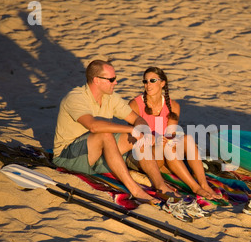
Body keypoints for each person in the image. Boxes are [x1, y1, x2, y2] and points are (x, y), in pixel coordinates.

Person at [53, 60, 178, 204]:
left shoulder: (110, 97)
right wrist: (132, 129)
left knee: (138, 135)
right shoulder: (75, 98)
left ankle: (161, 185)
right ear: (96, 80)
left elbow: (136, 119)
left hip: (96, 156)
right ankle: (136, 190)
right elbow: (94, 126)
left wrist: (143, 131)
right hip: (68, 157)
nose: (116, 82)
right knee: (105, 134)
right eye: (112, 79)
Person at [128, 67, 221, 200]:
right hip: (142, 154)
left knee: (187, 138)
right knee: (167, 147)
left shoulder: (173, 106)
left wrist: (166, 141)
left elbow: (170, 134)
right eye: (145, 81)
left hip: (163, 150)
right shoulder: (135, 104)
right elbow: (133, 137)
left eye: (152, 80)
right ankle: (195, 187)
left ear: (162, 83)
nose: (148, 85)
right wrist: (156, 141)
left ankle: (203, 184)